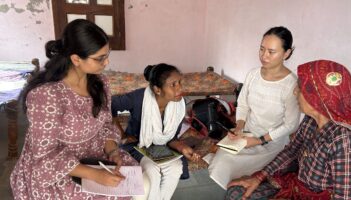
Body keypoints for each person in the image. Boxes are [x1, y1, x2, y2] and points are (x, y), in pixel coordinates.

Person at [10, 19, 149, 199]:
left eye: (107, 55)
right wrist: (95, 174)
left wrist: (112, 151)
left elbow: (106, 123)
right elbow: (45, 156)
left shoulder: (100, 83)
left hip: (94, 154)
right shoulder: (47, 95)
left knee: (135, 178)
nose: (106, 62)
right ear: (76, 59)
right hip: (59, 169)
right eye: (100, 58)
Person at [226, 60, 351, 199]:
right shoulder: (312, 121)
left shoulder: (345, 142)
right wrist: (259, 177)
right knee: (236, 193)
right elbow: (292, 151)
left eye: (301, 87)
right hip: (298, 188)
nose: (295, 92)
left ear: (317, 96)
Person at [207, 26, 300, 189]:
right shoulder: (253, 75)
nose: (264, 56)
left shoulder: (291, 84)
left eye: (271, 52)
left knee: (227, 162)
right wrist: (239, 126)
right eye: (261, 49)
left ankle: (238, 187)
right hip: (248, 132)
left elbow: (291, 124)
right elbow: (243, 104)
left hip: (271, 140)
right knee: (221, 155)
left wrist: (259, 140)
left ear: (287, 53)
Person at [111, 63, 200, 200]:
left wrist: (183, 148)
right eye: (173, 84)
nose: (180, 88)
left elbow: (171, 139)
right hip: (138, 145)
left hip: (162, 147)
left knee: (176, 168)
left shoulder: (179, 106)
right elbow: (109, 105)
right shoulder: (138, 98)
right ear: (157, 90)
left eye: (180, 82)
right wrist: (121, 134)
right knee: (153, 171)